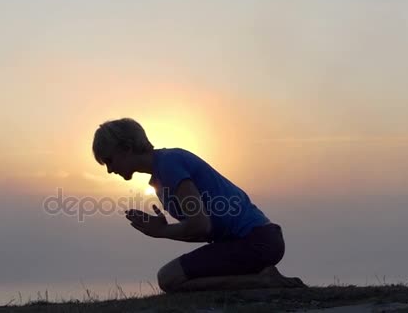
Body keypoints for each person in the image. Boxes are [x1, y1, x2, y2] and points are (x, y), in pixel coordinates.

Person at [92, 117, 305, 293]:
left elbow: (200, 225)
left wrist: (164, 230)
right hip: (251, 242)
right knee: (170, 277)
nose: (109, 170)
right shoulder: (160, 176)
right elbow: (206, 231)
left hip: (257, 242)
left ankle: (263, 282)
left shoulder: (169, 164)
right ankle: (259, 279)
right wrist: (161, 232)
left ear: (127, 148)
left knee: (169, 278)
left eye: (109, 160)